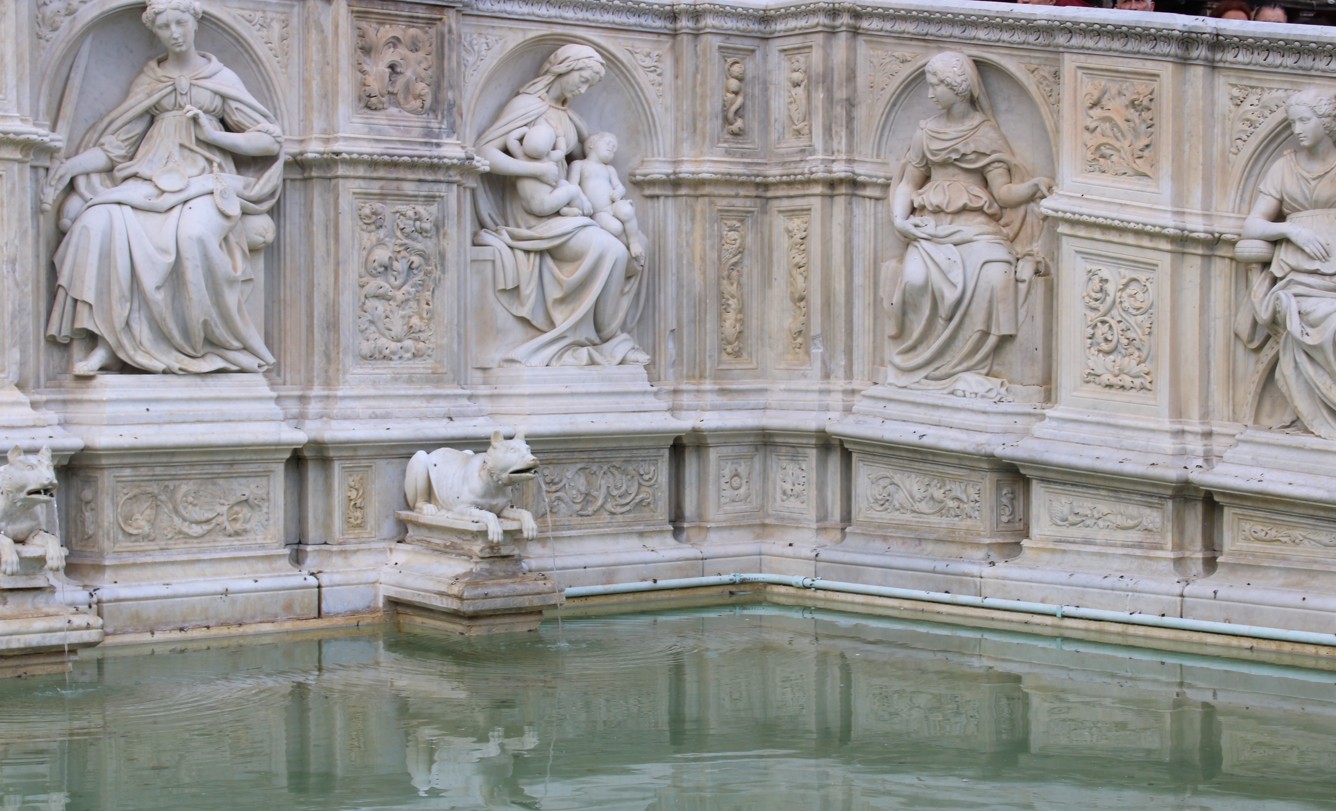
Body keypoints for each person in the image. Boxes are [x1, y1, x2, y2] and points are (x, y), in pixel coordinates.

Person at [43, 0, 284, 375]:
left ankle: (204, 343)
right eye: (164, 26)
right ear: (153, 31)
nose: (174, 33)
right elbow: (116, 147)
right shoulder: (149, 80)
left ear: (195, 23)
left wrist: (214, 136)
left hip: (206, 181)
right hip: (149, 179)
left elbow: (269, 142)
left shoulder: (221, 78)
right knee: (97, 221)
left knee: (193, 235)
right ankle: (110, 343)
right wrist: (71, 167)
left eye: (180, 23)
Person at [884, 52, 1052, 400]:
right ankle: (924, 367)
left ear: (957, 87)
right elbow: (908, 184)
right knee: (915, 280)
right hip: (931, 228)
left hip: (977, 226)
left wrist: (1033, 188)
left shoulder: (986, 134)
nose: (930, 94)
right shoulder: (925, 132)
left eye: (936, 86)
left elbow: (1003, 194)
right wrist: (900, 220)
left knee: (995, 277)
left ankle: (967, 367)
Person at [474, 44, 647, 367]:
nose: (583, 90)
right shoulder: (525, 106)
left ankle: (602, 336)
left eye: (589, 85)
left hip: (567, 206)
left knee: (635, 242)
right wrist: (533, 170)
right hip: (533, 213)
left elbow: (588, 161)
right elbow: (484, 152)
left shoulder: (571, 119)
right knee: (610, 250)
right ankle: (605, 339)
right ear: (564, 69)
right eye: (582, 80)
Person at [1237, 90, 1336, 439]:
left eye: (1305, 120)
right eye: (1293, 122)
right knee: (1332, 322)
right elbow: (1252, 225)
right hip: (1299, 280)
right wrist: (1291, 230)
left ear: (1327, 121)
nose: (1297, 130)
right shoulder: (1284, 168)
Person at [568, 132, 646, 268]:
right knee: (616, 228)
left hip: (612, 205)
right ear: (591, 144)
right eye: (608, 143)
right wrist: (584, 200)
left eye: (614, 148)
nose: (611, 148)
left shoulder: (609, 169)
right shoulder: (579, 165)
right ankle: (630, 252)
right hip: (598, 212)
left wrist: (618, 192)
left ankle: (634, 242)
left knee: (627, 210)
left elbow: (619, 186)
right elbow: (573, 186)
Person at [504, 125, 587, 219]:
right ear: (549, 149)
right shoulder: (548, 157)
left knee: (562, 183)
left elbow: (511, 139)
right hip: (544, 205)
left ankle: (564, 208)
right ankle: (582, 212)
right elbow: (561, 151)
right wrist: (560, 137)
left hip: (526, 206)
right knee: (573, 190)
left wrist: (525, 129)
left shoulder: (520, 155)